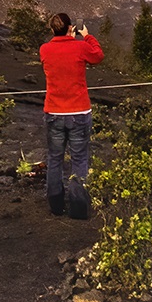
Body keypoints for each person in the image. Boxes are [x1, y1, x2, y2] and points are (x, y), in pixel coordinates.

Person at [39, 12, 104, 219]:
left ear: (52, 30)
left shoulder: (45, 49)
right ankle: (77, 207)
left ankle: (56, 205)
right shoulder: (80, 47)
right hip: (78, 111)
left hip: (54, 111)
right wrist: (86, 36)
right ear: (70, 28)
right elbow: (97, 56)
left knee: (55, 158)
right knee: (79, 158)